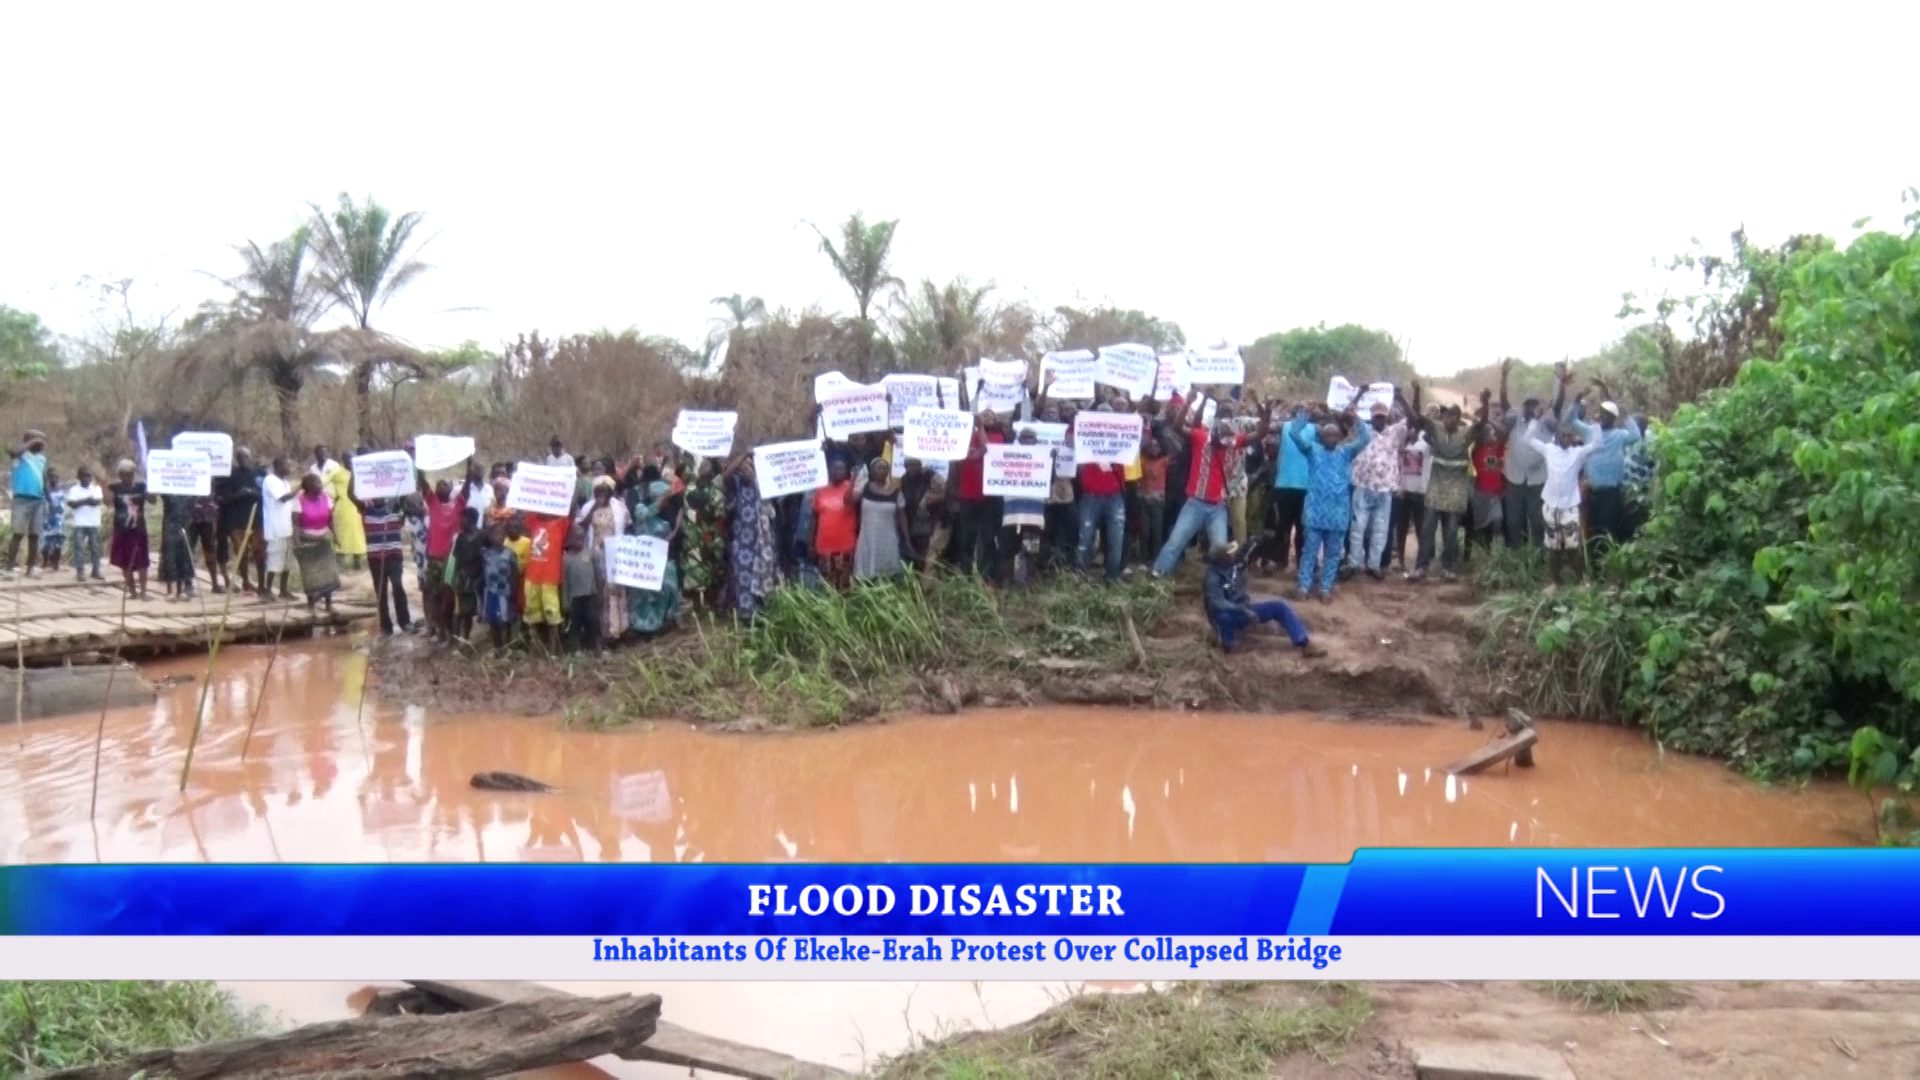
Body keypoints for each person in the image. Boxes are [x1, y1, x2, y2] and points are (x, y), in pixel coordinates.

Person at [1151, 397, 1275, 577]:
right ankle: (1158, 575)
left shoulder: (1234, 441)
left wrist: (1266, 416)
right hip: (1195, 503)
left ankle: (1221, 581)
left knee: (1221, 550)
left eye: (1228, 436)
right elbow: (1178, 427)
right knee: (1175, 542)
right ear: (1214, 431)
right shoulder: (1201, 437)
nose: (1226, 441)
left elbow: (1261, 434)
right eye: (1222, 435)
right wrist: (1187, 404)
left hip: (1218, 507)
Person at [1291, 409, 1372, 602]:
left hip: (1337, 514)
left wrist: (1356, 419)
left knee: (1333, 554)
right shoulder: (1312, 450)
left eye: (1334, 435)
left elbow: (1365, 438)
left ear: (1339, 437)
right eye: (1326, 434)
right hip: (1314, 513)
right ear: (1321, 436)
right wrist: (1305, 417)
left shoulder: (1346, 453)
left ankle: (1325, 588)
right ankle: (1303, 586)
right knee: (1309, 551)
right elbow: (1294, 433)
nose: (1330, 438)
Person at [1204, 541, 1324, 656]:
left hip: (1244, 608)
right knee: (1223, 616)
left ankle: (1303, 642)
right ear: (1222, 559)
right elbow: (1218, 603)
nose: (1232, 555)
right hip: (1231, 613)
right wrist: (1242, 610)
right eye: (1229, 554)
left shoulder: (1233, 566)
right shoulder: (1212, 578)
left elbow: (1249, 550)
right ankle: (1228, 644)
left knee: (1279, 607)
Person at [1528, 409, 1605, 588]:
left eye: (1569, 436)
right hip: (1550, 506)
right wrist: (1535, 421)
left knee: (1572, 546)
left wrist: (1596, 424)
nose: (1566, 438)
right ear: (1557, 436)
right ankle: (1555, 583)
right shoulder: (1549, 450)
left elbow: (1598, 445)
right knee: (1553, 547)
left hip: (1570, 506)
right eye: (1562, 435)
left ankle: (1580, 583)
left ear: (1572, 438)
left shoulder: (1577, 453)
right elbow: (1529, 440)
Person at [1407, 382, 1471, 581]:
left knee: (1451, 532)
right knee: (1427, 530)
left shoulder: (1465, 435)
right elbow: (1417, 417)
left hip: (1456, 490)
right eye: (1445, 415)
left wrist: (1485, 402)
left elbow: (1483, 421)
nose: (1448, 418)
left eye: (1452, 415)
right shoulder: (1435, 430)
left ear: (1458, 418)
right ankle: (1421, 567)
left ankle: (1448, 567)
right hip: (1435, 489)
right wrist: (1416, 392)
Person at [1572, 376, 1643, 552]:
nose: (1602, 417)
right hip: (1591, 492)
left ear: (1612, 418)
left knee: (1608, 531)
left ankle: (1607, 568)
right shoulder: (1590, 432)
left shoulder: (1620, 435)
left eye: (1606, 415)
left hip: (1611, 494)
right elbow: (1570, 421)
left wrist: (1625, 414)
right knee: (1591, 531)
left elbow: (1636, 436)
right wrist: (1576, 400)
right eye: (1601, 413)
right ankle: (1593, 569)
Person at [1341, 400, 1409, 580]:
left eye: (1382, 417)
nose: (1379, 420)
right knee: (1357, 527)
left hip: (1385, 489)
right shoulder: (1362, 431)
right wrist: (1360, 394)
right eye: (1376, 417)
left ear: (1386, 418)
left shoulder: (1395, 432)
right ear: (1371, 417)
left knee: (1380, 529)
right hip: (1362, 486)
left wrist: (1403, 398)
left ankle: (1374, 565)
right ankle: (1354, 563)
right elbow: (1348, 412)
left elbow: (1413, 419)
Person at [416, 459, 474, 642]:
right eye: (438, 484)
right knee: (434, 595)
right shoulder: (432, 503)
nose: (441, 486)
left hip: (451, 559)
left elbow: (468, 484)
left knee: (449, 598)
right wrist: (419, 462)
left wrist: (469, 464)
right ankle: (440, 631)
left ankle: (451, 632)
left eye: (444, 484)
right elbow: (422, 481)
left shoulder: (458, 505)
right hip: (434, 558)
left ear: (450, 490)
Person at [1073, 405, 1129, 583]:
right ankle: (1082, 576)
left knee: (1116, 540)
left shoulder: (1121, 436)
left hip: (1114, 496)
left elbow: (1139, 441)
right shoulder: (1084, 435)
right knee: (1085, 538)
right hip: (1091, 495)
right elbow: (1070, 440)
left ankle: (1112, 577)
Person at [1495, 360, 1547, 547]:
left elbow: (1557, 406)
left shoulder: (1545, 423)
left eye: (1535, 404)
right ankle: (1517, 557)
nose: (1532, 407)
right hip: (1514, 479)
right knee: (1514, 521)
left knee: (1537, 521)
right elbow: (1503, 401)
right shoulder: (1514, 421)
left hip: (1537, 481)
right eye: (1528, 404)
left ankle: (1538, 557)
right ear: (1524, 406)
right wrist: (1503, 376)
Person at [575, 475, 630, 643]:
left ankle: (617, 630)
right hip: (596, 554)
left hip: (614, 553)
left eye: (605, 492)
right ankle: (602, 631)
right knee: (599, 592)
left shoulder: (619, 508)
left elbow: (625, 527)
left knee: (614, 590)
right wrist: (593, 509)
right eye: (598, 492)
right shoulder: (588, 508)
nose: (601, 496)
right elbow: (580, 528)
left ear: (610, 493)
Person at [356, 481, 413, 636]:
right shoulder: (366, 511)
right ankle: (386, 627)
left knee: (397, 586)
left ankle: (405, 622)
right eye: (376, 495)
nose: (379, 497)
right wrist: (356, 473)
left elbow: (406, 496)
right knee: (381, 592)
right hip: (376, 559)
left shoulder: (395, 510)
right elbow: (351, 495)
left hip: (394, 556)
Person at [1264, 404, 1312, 573]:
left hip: (1306, 486)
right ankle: (1279, 560)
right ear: (1291, 415)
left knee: (1303, 527)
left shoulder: (1316, 429)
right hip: (1283, 484)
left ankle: (1301, 562)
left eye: (1304, 412)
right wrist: (1268, 410)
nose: (1300, 415)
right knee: (1281, 525)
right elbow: (1267, 428)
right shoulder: (1284, 427)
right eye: (1297, 412)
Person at [854, 455, 913, 581]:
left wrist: (907, 540)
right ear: (872, 471)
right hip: (868, 537)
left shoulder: (896, 492)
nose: (882, 471)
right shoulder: (864, 487)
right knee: (867, 575)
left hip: (888, 539)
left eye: (885, 468)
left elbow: (902, 517)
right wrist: (853, 481)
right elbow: (849, 500)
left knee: (887, 574)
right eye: (879, 468)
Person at [521, 511, 569, 652]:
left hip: (550, 578)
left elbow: (567, 508)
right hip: (532, 577)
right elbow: (530, 506)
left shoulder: (560, 524)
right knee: (531, 614)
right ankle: (534, 648)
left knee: (552, 615)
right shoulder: (534, 522)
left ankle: (554, 649)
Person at [217, 447, 264, 593]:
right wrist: (240, 494)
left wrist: (254, 493)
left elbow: (266, 493)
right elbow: (223, 498)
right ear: (237, 459)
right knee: (242, 552)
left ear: (250, 457)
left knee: (260, 552)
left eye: (246, 456)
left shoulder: (258, 473)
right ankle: (246, 581)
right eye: (240, 457)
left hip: (256, 519)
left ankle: (262, 584)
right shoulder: (230, 475)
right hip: (237, 521)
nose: (243, 460)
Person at [293, 471, 339, 614]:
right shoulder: (299, 500)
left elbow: (331, 519)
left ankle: (328, 604)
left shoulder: (325, 497)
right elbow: (295, 523)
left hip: (324, 539)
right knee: (311, 574)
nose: (320, 486)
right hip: (307, 540)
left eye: (320, 482)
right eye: (317, 483)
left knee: (328, 572)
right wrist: (297, 542)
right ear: (308, 487)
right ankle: (311, 605)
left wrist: (336, 536)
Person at [811, 458, 859, 589]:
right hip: (824, 546)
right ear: (829, 471)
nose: (838, 471)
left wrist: (853, 481)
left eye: (841, 468)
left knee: (844, 584)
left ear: (846, 472)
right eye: (835, 468)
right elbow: (814, 518)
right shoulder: (820, 490)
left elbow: (849, 501)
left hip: (845, 546)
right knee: (827, 584)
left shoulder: (852, 488)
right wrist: (811, 543)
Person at [7, 429, 49, 575]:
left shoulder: (42, 459)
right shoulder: (21, 456)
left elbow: (44, 478)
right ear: (28, 441)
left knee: (35, 535)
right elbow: (12, 451)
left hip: (38, 500)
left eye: (42, 441)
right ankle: (9, 568)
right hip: (21, 500)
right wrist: (31, 442)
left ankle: (30, 568)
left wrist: (47, 496)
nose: (41, 444)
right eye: (38, 441)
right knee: (17, 534)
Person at [1390, 429, 1432, 576]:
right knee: (1401, 528)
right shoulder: (1402, 446)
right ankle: (1399, 561)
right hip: (1404, 493)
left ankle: (1421, 564)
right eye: (1409, 428)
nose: (1411, 431)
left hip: (1421, 493)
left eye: (1414, 428)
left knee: (1421, 529)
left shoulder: (1425, 445)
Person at [319, 446, 366, 572]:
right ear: (343, 460)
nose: (350, 461)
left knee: (358, 534)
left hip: (357, 507)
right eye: (347, 459)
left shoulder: (360, 471)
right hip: (343, 507)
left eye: (352, 459)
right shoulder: (337, 471)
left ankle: (358, 562)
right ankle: (340, 563)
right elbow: (321, 482)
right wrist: (331, 496)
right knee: (341, 534)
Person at [107, 460, 149, 599]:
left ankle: (143, 591)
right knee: (125, 561)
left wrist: (152, 487)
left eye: (130, 474)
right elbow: (107, 502)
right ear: (120, 475)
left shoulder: (141, 487)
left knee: (142, 560)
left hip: (139, 529)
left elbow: (153, 499)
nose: (127, 477)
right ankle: (132, 591)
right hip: (121, 529)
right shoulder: (115, 488)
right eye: (124, 475)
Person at [260, 456, 297, 601]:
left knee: (287, 561)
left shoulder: (285, 482)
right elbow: (282, 498)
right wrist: (300, 488)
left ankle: (283, 590)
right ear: (278, 466)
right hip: (275, 528)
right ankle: (268, 590)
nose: (288, 468)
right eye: (286, 465)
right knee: (275, 560)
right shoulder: (270, 480)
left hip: (286, 527)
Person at [479, 527, 518, 652]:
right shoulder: (486, 553)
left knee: (505, 621)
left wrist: (513, 590)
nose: (498, 537)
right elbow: (483, 571)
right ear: (490, 537)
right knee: (492, 621)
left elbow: (514, 573)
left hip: (504, 592)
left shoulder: (510, 554)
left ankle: (507, 647)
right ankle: (497, 647)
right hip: (490, 592)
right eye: (495, 534)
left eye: (501, 534)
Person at [65, 466, 105, 582]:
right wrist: (87, 500)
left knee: (95, 548)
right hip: (79, 523)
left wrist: (81, 502)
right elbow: (72, 504)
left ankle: (96, 570)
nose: (87, 478)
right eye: (84, 475)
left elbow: (96, 502)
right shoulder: (74, 489)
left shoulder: (96, 488)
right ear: (79, 477)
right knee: (79, 548)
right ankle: (80, 572)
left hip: (94, 523)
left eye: (89, 476)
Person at [562, 532, 600, 653]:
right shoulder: (566, 558)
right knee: (575, 624)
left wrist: (600, 592)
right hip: (575, 597)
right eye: (576, 537)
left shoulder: (590, 553)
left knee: (593, 621)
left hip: (590, 594)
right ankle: (576, 649)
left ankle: (595, 647)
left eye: (581, 537)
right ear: (570, 540)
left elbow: (598, 574)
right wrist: (565, 601)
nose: (580, 540)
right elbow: (565, 582)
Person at [450, 507, 484, 641]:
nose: (460, 521)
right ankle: (456, 638)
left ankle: (466, 637)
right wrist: (455, 579)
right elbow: (457, 560)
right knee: (459, 611)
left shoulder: (482, 536)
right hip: (463, 578)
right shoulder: (460, 538)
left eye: (462, 519)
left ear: (470, 520)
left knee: (469, 612)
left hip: (478, 578)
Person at [158, 491, 198, 601]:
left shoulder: (189, 494)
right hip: (170, 527)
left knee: (183, 557)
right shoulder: (168, 493)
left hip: (185, 526)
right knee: (170, 557)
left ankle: (180, 590)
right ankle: (170, 590)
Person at [189, 483, 226, 594]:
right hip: (190, 516)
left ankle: (214, 584)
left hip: (207, 517)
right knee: (188, 549)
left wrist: (214, 519)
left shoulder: (209, 475)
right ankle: (187, 582)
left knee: (210, 549)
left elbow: (214, 497)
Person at [38, 466, 65, 573]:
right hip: (47, 520)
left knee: (58, 543)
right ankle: (45, 561)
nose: (54, 479)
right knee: (45, 544)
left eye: (56, 477)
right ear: (48, 478)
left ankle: (56, 563)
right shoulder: (44, 491)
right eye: (52, 477)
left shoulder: (61, 490)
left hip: (58, 520)